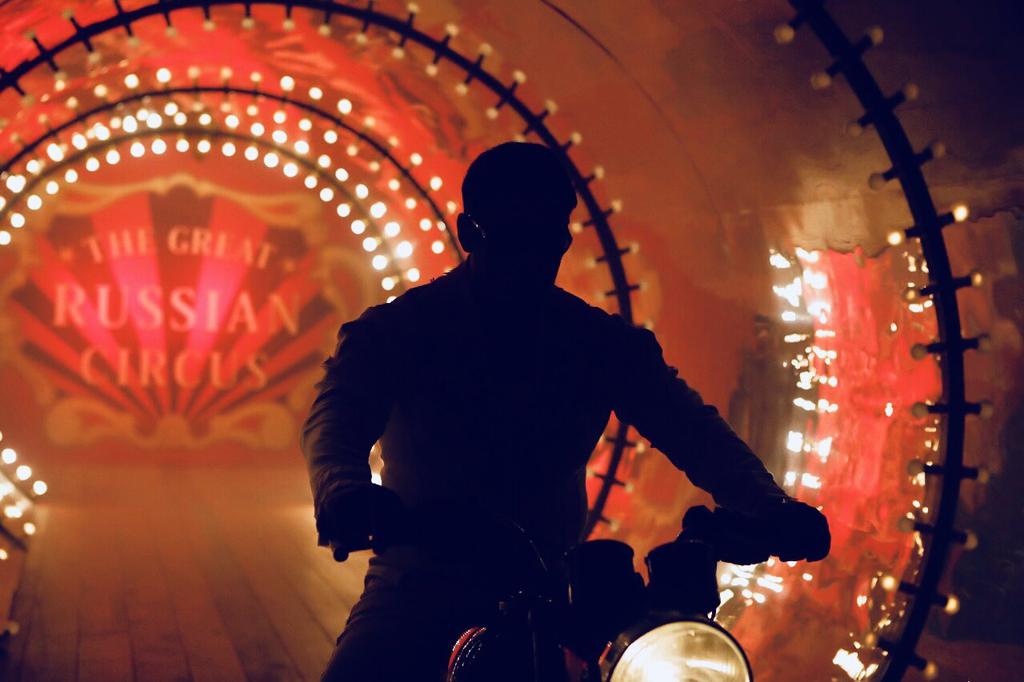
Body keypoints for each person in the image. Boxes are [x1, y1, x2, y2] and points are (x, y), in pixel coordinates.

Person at [301, 141, 830, 680]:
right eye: (517, 233)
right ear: (470, 233)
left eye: (548, 232)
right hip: (421, 584)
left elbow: (692, 430)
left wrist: (767, 505)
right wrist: (341, 488)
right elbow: (338, 417)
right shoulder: (405, 332)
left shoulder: (594, 343)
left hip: (553, 595)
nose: (535, 254)